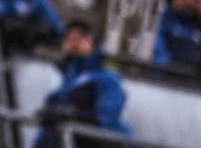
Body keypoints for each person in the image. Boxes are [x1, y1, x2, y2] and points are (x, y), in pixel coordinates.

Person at [33, 20, 131, 148]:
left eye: (80, 38)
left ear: (92, 43)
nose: (74, 43)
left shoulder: (105, 79)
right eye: (69, 39)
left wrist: (73, 115)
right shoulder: (59, 91)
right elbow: (46, 136)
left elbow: (105, 120)